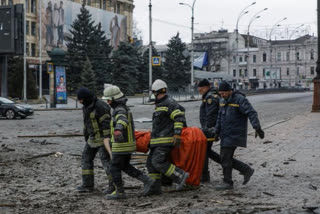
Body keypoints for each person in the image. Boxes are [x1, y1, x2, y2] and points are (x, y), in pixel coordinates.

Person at [102, 85, 155, 200]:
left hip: (122, 145)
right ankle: (148, 180)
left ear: (114, 99)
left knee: (114, 167)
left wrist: (117, 129)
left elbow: (122, 119)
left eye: (109, 100)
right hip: (128, 145)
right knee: (125, 166)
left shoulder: (119, 110)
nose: (108, 102)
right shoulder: (122, 107)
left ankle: (120, 192)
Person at [215, 80, 265, 190]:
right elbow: (220, 117)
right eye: (220, 94)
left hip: (234, 133)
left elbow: (251, 112)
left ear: (229, 91)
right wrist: (216, 132)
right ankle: (246, 170)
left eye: (223, 93)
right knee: (225, 157)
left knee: (225, 157)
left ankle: (228, 182)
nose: (221, 96)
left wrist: (257, 127)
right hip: (225, 134)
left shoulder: (239, 100)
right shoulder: (223, 101)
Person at [145, 79, 189, 196]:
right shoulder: (160, 105)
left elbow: (179, 118)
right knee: (150, 163)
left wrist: (177, 134)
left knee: (157, 162)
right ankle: (156, 186)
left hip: (165, 140)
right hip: (157, 140)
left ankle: (180, 175)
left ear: (156, 92)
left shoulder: (170, 103)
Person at [76, 88, 113, 193]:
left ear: (86, 98)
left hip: (102, 138)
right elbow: (87, 123)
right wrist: (86, 136)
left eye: (81, 100)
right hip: (92, 138)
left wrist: (107, 141)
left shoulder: (101, 106)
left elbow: (106, 124)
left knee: (106, 162)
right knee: (85, 159)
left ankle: (113, 185)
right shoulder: (86, 106)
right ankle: (87, 185)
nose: (80, 102)